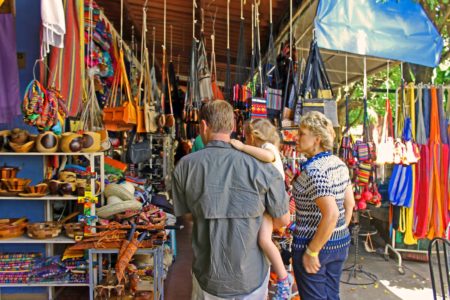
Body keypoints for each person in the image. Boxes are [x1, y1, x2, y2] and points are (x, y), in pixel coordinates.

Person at [172, 100, 290, 300]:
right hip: (251, 278)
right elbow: (283, 220)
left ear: (203, 126)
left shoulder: (185, 166)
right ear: (233, 127)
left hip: (209, 277)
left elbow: (188, 216)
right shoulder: (263, 167)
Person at [292, 111, 355, 300]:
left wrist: (313, 250)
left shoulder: (314, 171)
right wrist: (336, 233)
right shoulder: (338, 164)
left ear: (317, 139)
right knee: (332, 296)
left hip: (314, 246)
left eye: (302, 133)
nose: (297, 137)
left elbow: (332, 213)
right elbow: (349, 204)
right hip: (339, 243)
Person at [230, 118, 293, 299]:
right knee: (263, 239)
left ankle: (283, 279)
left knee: (265, 240)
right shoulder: (267, 149)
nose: (245, 139)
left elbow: (267, 157)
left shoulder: (268, 149)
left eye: (246, 136)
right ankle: (281, 276)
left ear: (253, 135)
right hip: (270, 200)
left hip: (273, 200)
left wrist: (242, 148)